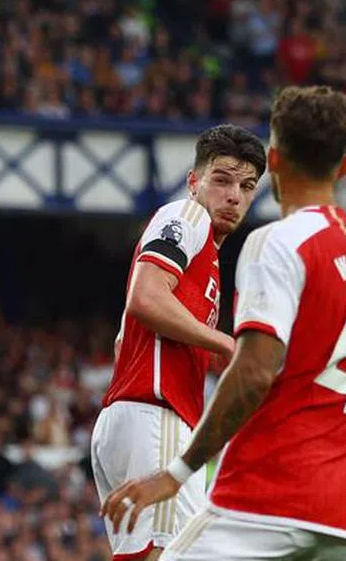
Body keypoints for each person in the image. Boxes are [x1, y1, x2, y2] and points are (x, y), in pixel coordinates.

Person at [102, 86, 346, 561]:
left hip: (265, 499)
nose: (235, 197)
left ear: (274, 163)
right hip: (340, 517)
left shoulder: (277, 243)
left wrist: (177, 472)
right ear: (344, 167)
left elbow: (255, 371)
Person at [92, 124, 265, 561]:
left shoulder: (205, 252)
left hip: (138, 418)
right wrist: (227, 346)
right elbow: (145, 299)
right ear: (194, 181)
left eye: (247, 186)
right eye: (222, 179)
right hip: (157, 416)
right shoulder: (188, 218)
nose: (235, 196)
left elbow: (121, 341)